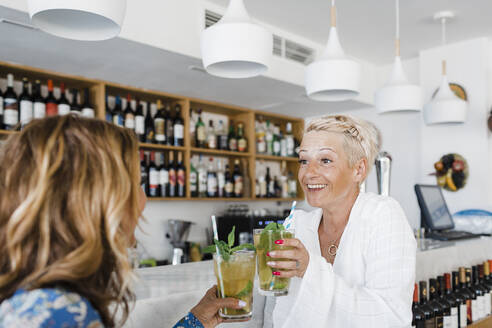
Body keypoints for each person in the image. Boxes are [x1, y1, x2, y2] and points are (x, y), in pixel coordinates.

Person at [0, 115, 244, 328]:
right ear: (96, 200)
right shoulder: (59, 314)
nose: (143, 199)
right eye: (137, 184)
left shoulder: (46, 299)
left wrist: (196, 322)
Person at [266, 115, 416, 327]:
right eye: (303, 161)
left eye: (325, 160)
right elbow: (279, 312)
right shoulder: (297, 225)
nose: (309, 173)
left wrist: (310, 270)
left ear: (358, 169)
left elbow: (390, 319)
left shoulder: (383, 215)